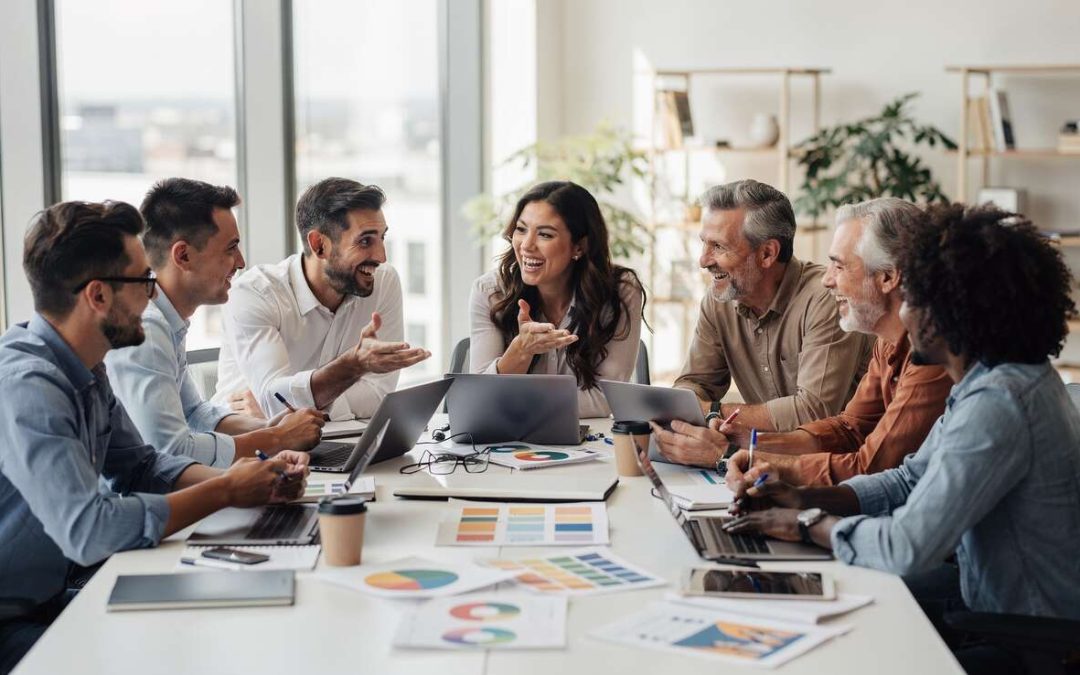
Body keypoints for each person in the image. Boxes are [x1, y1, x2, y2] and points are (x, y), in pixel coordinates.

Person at [722, 204, 1080, 673]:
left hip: (1027, 640)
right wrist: (803, 497)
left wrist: (806, 523)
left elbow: (905, 547)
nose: (904, 314)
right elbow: (908, 480)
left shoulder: (999, 403)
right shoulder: (987, 381)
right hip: (987, 601)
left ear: (952, 312)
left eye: (915, 298)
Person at [0, 201, 309, 674]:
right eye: (144, 281)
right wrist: (224, 489)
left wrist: (257, 482)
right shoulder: (28, 386)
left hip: (51, 591)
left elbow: (140, 466)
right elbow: (90, 530)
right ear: (98, 296)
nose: (152, 296)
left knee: (232, 629)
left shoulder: (85, 365)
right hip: (12, 619)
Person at [655, 198, 951, 486]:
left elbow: (871, 466)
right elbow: (848, 429)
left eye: (839, 266)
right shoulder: (887, 343)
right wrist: (743, 439)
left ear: (887, 277)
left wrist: (727, 454)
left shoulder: (933, 354)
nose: (828, 279)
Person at [105, 178, 326, 467]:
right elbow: (172, 450)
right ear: (183, 255)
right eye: (230, 248)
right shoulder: (146, 329)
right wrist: (277, 439)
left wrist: (272, 428)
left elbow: (196, 414)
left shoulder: (168, 321)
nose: (241, 261)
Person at [213, 177, 430, 420]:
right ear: (319, 245)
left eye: (382, 237)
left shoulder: (384, 281)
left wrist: (296, 406)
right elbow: (274, 399)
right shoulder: (254, 293)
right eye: (365, 241)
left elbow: (379, 393)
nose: (381, 256)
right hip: (247, 446)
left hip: (334, 440)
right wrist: (353, 367)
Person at [673, 179, 873, 438]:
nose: (703, 260)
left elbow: (814, 413)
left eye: (719, 246)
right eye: (704, 243)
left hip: (840, 463)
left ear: (767, 253)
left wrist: (713, 412)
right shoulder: (718, 301)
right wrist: (685, 406)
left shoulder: (826, 298)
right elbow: (695, 383)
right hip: (764, 458)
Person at [469, 181, 646, 417]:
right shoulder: (490, 292)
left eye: (545, 234)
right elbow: (479, 398)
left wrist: (512, 402)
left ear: (579, 246)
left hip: (586, 444)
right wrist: (521, 350)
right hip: (508, 442)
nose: (527, 245)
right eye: (521, 229)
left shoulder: (619, 291)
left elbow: (605, 398)